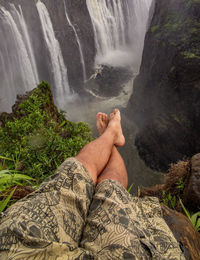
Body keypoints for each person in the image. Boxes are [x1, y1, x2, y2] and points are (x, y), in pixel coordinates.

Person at [0, 109, 185, 259]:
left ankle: (110, 135)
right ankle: (111, 137)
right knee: (111, 191)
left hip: (18, 248)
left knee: (73, 172)